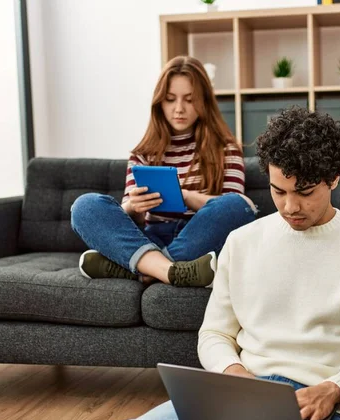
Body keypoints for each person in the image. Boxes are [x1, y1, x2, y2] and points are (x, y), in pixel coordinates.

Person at [33, 107, 340, 420]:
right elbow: (214, 333)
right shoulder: (242, 243)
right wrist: (235, 373)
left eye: (305, 192)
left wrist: (332, 390)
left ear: (334, 178)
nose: (291, 206)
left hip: (320, 409)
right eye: (279, 191)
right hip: (237, 397)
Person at [71, 56, 257, 288]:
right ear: (160, 102)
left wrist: (186, 196)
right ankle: (173, 270)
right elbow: (129, 221)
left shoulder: (226, 149)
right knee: (85, 206)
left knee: (241, 205)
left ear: (204, 101)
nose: (179, 109)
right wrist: (133, 207)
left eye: (189, 100)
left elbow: (232, 205)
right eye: (170, 100)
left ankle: (140, 269)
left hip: (198, 235)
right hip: (150, 236)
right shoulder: (143, 153)